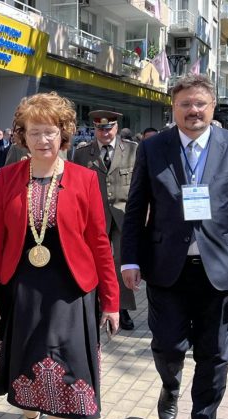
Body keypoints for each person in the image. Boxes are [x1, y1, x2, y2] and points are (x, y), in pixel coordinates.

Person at [0, 92, 119, 419]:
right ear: (22, 136)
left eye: (50, 131)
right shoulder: (7, 178)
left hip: (71, 292)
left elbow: (100, 243)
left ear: (63, 133)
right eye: (34, 132)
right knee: (27, 366)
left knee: (67, 374)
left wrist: (111, 301)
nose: (42, 140)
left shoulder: (85, 178)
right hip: (22, 291)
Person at [121, 74, 228, 419]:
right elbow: (136, 206)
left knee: (214, 355)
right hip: (166, 267)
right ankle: (170, 385)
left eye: (200, 103)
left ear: (212, 106)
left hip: (218, 269)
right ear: (173, 107)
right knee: (168, 346)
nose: (193, 110)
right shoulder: (154, 148)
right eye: (185, 103)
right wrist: (130, 259)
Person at [72, 110, 138, 331]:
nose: (105, 132)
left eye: (109, 128)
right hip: (94, 216)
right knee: (94, 261)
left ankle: (122, 307)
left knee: (120, 261)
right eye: (100, 128)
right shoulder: (82, 154)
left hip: (123, 215)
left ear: (116, 127)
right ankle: (96, 303)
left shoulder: (132, 150)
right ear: (94, 129)